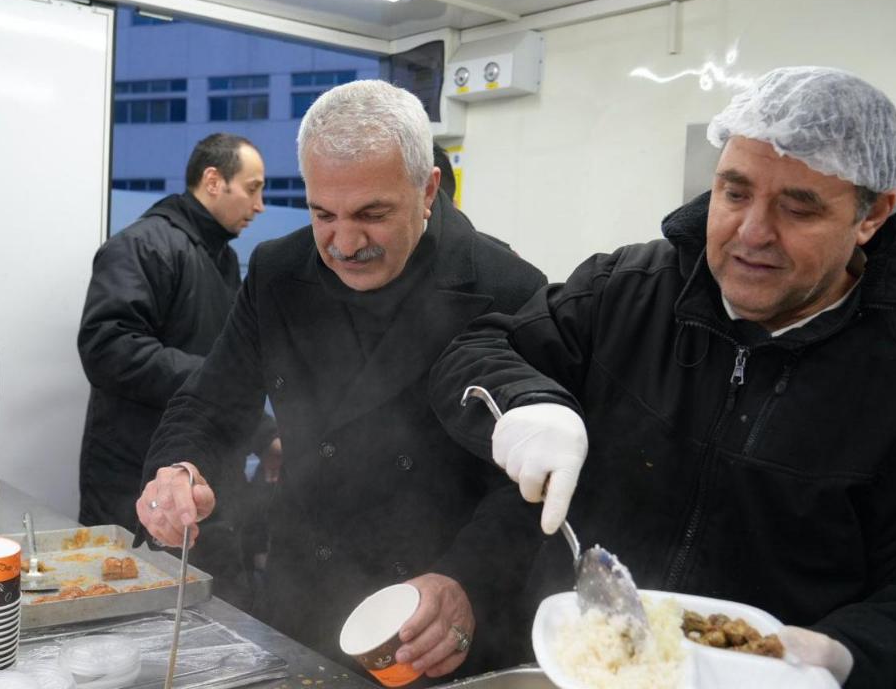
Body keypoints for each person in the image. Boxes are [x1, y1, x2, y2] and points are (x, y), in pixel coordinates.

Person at [430, 67, 896, 687]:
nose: (752, 233)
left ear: (872, 215)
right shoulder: (627, 289)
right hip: (585, 667)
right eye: (734, 192)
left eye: (798, 207)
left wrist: (843, 652)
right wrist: (528, 401)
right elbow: (478, 349)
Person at [136, 80, 548, 680]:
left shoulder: (507, 287)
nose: (345, 243)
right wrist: (181, 468)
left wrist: (469, 581)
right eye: (322, 213)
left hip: (433, 618)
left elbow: (529, 482)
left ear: (428, 188)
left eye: (372, 215)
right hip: (305, 596)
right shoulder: (279, 273)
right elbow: (211, 403)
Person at [77, 133, 274, 605]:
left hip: (201, 478)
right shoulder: (143, 246)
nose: (261, 205)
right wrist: (214, 383)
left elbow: (229, 366)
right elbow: (107, 346)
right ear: (213, 181)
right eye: (253, 187)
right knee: (135, 616)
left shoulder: (221, 259)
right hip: (136, 478)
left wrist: (263, 432)